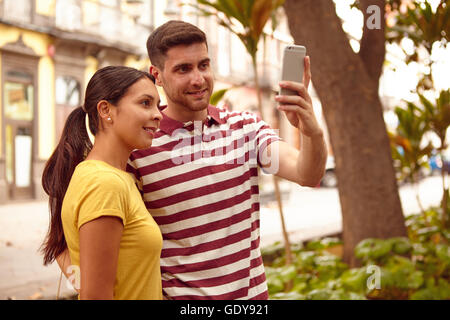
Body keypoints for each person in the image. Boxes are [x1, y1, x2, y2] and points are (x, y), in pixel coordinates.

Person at [127, 20, 328, 300]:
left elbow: (307, 174)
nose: (198, 79)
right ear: (156, 75)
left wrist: (311, 131)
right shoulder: (139, 146)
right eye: (183, 69)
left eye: (204, 65)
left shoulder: (245, 127)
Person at [41, 66, 164, 300]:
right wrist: (90, 289)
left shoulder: (113, 177)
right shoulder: (105, 184)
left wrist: (85, 285)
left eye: (157, 105)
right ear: (106, 110)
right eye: (146, 103)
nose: (158, 114)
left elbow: (62, 249)